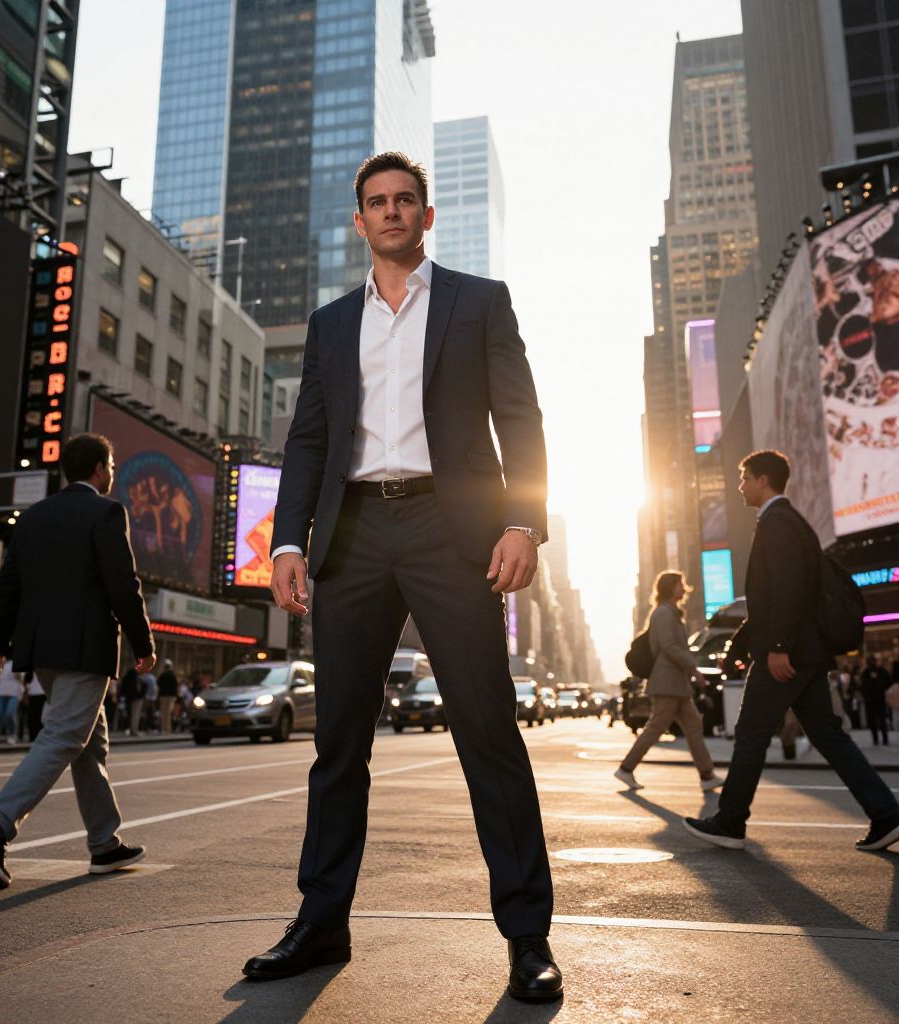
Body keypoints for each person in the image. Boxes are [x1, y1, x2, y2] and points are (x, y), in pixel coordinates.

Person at [242, 152, 561, 1002]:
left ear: (425, 215)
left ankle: (528, 935)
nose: (390, 212)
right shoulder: (330, 322)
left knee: (487, 731)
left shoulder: (477, 301)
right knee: (337, 740)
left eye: (404, 200)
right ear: (359, 221)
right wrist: (285, 544)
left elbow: (520, 416)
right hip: (352, 533)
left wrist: (525, 523)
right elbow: (308, 438)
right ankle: (321, 922)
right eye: (375, 203)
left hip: (447, 530)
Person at [0, 433, 156, 887]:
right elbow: (121, 585)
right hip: (85, 647)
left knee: (90, 743)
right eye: (111, 464)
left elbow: (8, 586)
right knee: (67, 734)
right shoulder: (106, 512)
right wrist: (142, 643)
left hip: (42, 651)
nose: (112, 472)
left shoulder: (33, 517)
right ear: (97, 468)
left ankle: (105, 843)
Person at [684, 449, 899, 852]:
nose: (740, 485)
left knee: (750, 734)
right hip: (804, 653)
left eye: (745, 477)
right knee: (829, 737)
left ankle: (730, 822)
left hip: (787, 655)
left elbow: (788, 590)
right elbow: (771, 596)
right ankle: (886, 813)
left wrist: (778, 646)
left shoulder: (779, 523)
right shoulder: (788, 522)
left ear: (764, 480)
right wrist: (745, 643)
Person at [614, 572, 723, 792]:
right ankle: (626, 768)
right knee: (656, 727)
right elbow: (668, 646)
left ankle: (706, 774)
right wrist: (692, 667)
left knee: (693, 725)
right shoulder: (663, 613)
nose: (684, 588)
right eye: (680, 584)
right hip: (666, 682)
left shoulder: (670, 613)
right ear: (670, 588)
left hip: (676, 683)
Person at [0, 659, 24, 746]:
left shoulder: (19, 661)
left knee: (10, 713)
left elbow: (21, 678)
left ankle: (12, 735)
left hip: (14, 692)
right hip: (1, 691)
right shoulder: (2, 662)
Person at [860, 655, 891, 746]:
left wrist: (879, 687)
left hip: (879, 699)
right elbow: (863, 686)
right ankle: (876, 739)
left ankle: (884, 739)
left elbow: (888, 682)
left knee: (881, 719)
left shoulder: (881, 671)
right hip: (870, 700)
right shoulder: (865, 672)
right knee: (872, 720)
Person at [119, 665, 144, 736]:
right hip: (137, 698)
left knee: (128, 714)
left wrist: (122, 696)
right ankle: (134, 729)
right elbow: (142, 687)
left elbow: (122, 689)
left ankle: (127, 728)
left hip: (128, 698)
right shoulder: (138, 678)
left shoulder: (126, 678)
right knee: (135, 714)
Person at [157, 659, 178, 735]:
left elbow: (158, 683)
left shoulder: (162, 675)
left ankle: (164, 729)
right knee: (168, 713)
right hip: (171, 696)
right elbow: (175, 686)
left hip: (163, 695)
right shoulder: (172, 675)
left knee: (164, 713)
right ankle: (168, 729)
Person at [26, 672, 47, 742]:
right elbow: (27, 680)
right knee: (32, 716)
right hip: (32, 694)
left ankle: (39, 736)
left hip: (42, 694)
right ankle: (32, 736)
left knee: (40, 716)